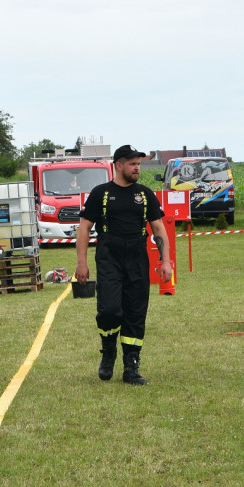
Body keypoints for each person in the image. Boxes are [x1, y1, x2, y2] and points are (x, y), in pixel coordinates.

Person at [76, 144, 171, 385]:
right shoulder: (101, 193)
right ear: (118, 165)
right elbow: (84, 228)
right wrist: (82, 264)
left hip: (138, 258)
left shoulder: (146, 194)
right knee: (110, 310)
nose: (137, 168)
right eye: (132, 164)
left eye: (139, 164)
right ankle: (108, 351)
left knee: (135, 313)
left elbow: (158, 228)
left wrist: (166, 261)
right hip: (109, 257)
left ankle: (131, 366)